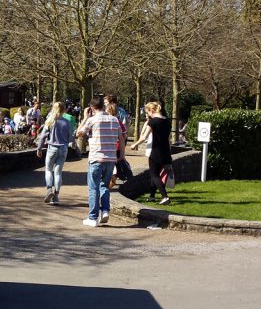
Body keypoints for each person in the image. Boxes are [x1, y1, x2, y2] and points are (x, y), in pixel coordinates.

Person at [75, 97, 122, 227]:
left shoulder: (92, 120)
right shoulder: (114, 120)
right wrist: (121, 155)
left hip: (96, 158)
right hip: (111, 158)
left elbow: (78, 133)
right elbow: (121, 137)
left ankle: (93, 217)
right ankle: (105, 210)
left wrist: (85, 117)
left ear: (92, 108)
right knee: (104, 186)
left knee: (93, 188)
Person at [130, 101, 173, 205]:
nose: (147, 114)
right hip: (166, 151)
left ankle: (165, 196)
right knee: (156, 174)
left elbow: (144, 137)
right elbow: (167, 137)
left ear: (151, 110)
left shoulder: (153, 122)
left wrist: (135, 144)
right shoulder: (167, 121)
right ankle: (152, 196)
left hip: (156, 151)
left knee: (154, 175)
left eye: (147, 112)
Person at [36, 101, 71, 205]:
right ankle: (56, 196)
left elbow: (42, 136)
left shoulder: (50, 121)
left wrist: (39, 148)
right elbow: (70, 137)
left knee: (48, 170)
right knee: (58, 172)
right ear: (64, 109)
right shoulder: (67, 122)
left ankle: (49, 190)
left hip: (52, 148)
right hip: (63, 148)